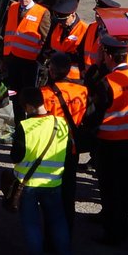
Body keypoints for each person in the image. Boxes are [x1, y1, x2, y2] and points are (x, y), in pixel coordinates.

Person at [89, 37, 128, 245]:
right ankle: (120, 228)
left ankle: (111, 232)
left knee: (109, 188)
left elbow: (94, 113)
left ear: (108, 55)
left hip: (110, 141)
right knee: (124, 188)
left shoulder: (109, 82)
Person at [13, 90, 79, 255]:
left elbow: (16, 156)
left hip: (28, 185)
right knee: (58, 221)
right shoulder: (61, 123)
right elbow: (67, 152)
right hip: (53, 183)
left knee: (31, 223)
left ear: (27, 106)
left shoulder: (25, 127)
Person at [40, 53, 89, 235]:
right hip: (71, 147)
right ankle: (66, 232)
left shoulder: (44, 94)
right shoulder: (82, 91)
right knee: (68, 193)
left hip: (49, 149)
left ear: (51, 71)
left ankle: (50, 237)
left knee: (49, 194)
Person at [0, 0, 50, 96]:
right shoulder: (13, 7)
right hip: (12, 58)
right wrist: (4, 57)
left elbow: (45, 38)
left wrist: (40, 59)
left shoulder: (42, 12)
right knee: (15, 93)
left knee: (27, 94)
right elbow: (7, 33)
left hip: (29, 62)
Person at [45, 0, 91, 79]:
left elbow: (83, 56)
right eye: (59, 20)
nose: (61, 23)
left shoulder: (85, 30)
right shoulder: (56, 24)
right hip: (53, 72)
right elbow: (48, 43)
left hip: (71, 78)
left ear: (72, 15)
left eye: (64, 20)